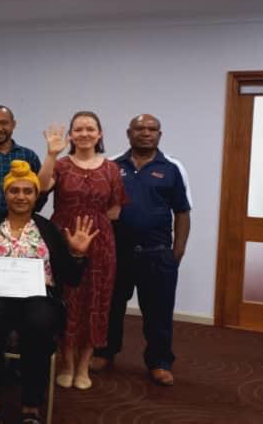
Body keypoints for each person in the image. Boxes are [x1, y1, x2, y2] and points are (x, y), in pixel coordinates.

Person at [0, 161, 98, 424]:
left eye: (28, 191)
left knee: (38, 323)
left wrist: (77, 254)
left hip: (38, 298)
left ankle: (31, 402)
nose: (21, 196)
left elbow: (71, 278)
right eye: (14, 191)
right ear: (5, 194)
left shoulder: (48, 230)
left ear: (37, 196)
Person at [92, 114, 191, 386]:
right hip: (117, 252)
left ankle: (159, 362)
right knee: (110, 307)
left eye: (151, 129)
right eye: (139, 129)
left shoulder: (172, 168)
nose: (145, 133)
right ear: (128, 133)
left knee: (158, 311)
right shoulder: (111, 165)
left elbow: (183, 212)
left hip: (157, 253)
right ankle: (104, 352)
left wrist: (176, 252)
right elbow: (101, 209)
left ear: (160, 134)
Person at [37, 111, 126, 391]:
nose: (85, 133)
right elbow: (40, 187)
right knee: (66, 297)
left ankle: (84, 365)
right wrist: (51, 154)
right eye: (79, 129)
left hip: (100, 242)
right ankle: (67, 363)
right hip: (62, 239)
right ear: (71, 135)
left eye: (90, 129)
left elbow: (115, 209)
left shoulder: (111, 168)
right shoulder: (61, 165)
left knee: (95, 302)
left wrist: (91, 226)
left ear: (99, 134)